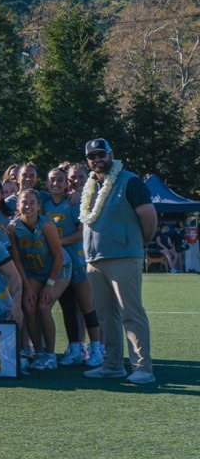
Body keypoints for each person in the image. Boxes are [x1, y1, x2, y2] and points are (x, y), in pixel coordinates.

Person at [81, 138, 156, 384]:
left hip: (124, 256)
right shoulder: (90, 185)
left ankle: (143, 368)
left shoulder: (130, 180)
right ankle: (112, 365)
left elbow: (148, 216)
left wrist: (139, 244)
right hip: (94, 260)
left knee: (131, 313)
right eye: (92, 156)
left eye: (101, 154)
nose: (97, 160)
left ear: (111, 154)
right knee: (105, 316)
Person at [44, 167, 104, 367]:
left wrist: (58, 242)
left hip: (76, 262)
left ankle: (97, 348)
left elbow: (81, 232)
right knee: (68, 308)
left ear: (66, 183)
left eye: (60, 180)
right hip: (58, 265)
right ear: (46, 183)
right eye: (52, 180)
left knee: (87, 306)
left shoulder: (73, 203)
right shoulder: (43, 202)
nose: (56, 184)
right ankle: (75, 348)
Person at [8, 188, 69, 371]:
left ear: (38, 205)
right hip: (34, 273)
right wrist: (26, 287)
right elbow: (17, 259)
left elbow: (58, 257)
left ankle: (51, 355)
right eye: (24, 202)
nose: (28, 206)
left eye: (32, 202)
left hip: (58, 271)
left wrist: (49, 285)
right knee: (28, 307)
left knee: (43, 307)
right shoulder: (13, 227)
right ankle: (39, 352)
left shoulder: (46, 225)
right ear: (18, 205)